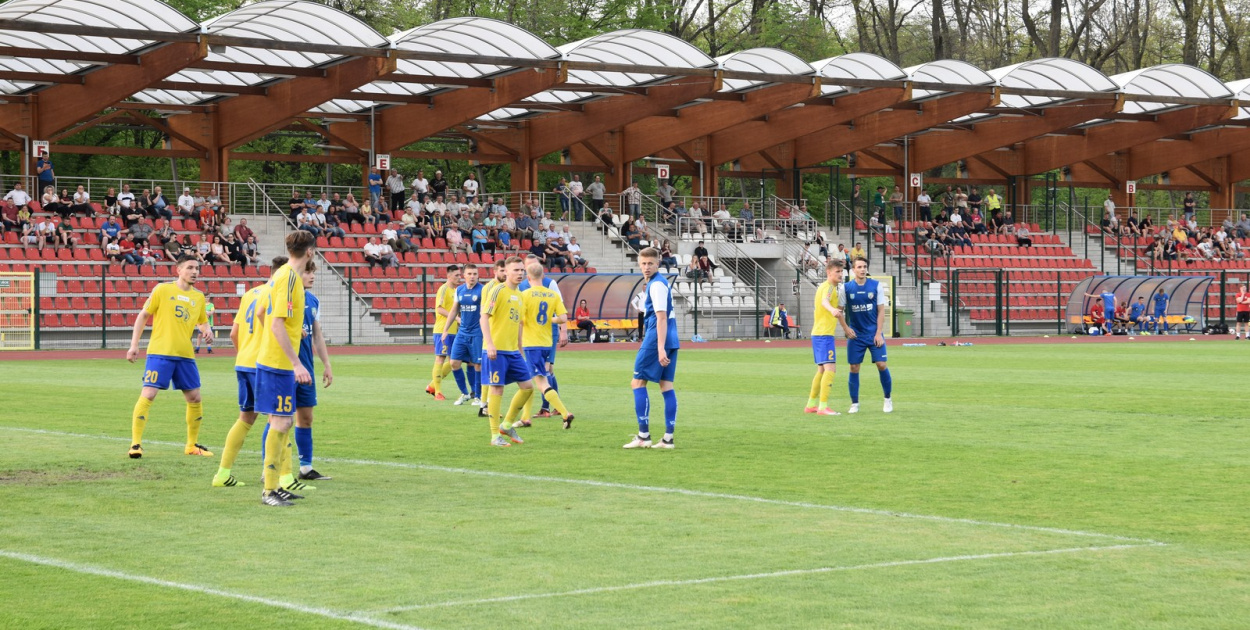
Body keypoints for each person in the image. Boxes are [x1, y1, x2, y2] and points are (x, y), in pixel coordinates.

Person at [124, 255, 214, 460]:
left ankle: (191, 445)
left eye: (197, 268)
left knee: (195, 398)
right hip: (160, 352)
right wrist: (134, 345)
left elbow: (202, 321)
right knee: (149, 394)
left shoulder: (199, 297)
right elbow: (143, 315)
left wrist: (207, 330)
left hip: (185, 355)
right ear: (178, 270)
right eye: (190, 267)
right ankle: (135, 444)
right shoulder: (162, 290)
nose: (194, 272)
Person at [211, 258, 286, 489]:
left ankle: (223, 474)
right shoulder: (277, 293)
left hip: (244, 362)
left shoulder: (250, 294)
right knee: (278, 419)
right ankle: (274, 475)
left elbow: (234, 333)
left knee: (246, 418)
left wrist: (244, 354)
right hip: (264, 364)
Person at [258, 260, 334, 487]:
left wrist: (327, 364)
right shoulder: (282, 294)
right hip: (285, 367)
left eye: (313, 272)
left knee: (306, 418)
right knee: (278, 419)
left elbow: (317, 335)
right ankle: (268, 469)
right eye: (308, 272)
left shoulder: (313, 301)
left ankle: (306, 468)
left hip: (306, 367)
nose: (312, 276)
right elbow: (267, 319)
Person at [255, 231, 317, 507]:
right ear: (310, 251)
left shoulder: (281, 275)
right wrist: (296, 363)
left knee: (283, 421)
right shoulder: (289, 278)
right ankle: (269, 490)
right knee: (281, 422)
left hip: (276, 359)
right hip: (278, 363)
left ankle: (276, 484)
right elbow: (276, 323)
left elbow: (264, 314)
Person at [624, 248, 679, 449]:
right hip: (671, 337)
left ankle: (643, 436)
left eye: (650, 263)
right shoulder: (660, 283)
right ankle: (668, 439)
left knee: (637, 382)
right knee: (666, 385)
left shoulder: (656, 285)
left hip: (657, 338)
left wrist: (660, 348)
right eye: (643, 263)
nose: (646, 267)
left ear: (658, 263)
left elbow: (661, 318)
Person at [480, 256, 538, 447]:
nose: (520, 273)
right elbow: (484, 317)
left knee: (528, 387)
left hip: (513, 351)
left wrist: (520, 349)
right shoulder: (498, 291)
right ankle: (494, 435)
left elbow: (519, 325)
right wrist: (489, 344)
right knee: (497, 389)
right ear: (505, 271)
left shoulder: (520, 295)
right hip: (496, 350)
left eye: (522, 270)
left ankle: (506, 425)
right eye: (516, 270)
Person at [513, 263, 575, 429]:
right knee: (528, 380)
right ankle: (526, 418)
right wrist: (550, 319)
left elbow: (519, 320)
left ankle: (565, 413)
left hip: (531, 344)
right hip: (547, 343)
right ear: (542, 276)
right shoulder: (552, 294)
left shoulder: (524, 294)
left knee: (541, 383)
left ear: (528, 277)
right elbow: (563, 318)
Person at [836, 258, 892, 414]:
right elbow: (839, 311)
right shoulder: (846, 288)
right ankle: (854, 404)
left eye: (864, 267)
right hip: (856, 335)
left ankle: (887, 399)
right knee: (854, 367)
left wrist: (879, 333)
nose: (862, 269)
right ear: (853, 270)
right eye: (859, 267)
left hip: (873, 334)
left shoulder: (876, 285)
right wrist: (846, 328)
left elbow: (881, 310)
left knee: (881, 364)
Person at [805, 258, 846, 416]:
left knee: (821, 370)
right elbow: (824, 302)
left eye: (841, 271)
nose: (840, 274)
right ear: (829, 272)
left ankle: (811, 405)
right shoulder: (828, 287)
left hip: (819, 333)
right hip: (824, 334)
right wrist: (832, 309)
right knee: (830, 369)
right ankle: (823, 407)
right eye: (837, 271)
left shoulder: (828, 287)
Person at [442, 265, 485, 407]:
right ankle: (465, 393)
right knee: (454, 362)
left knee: (477, 364)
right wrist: (445, 330)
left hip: (477, 332)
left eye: (475, 274)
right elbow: (454, 310)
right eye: (469, 273)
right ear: (464, 275)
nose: (472, 276)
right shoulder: (459, 290)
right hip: (462, 332)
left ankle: (478, 396)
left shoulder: (482, 290)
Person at [425, 265, 463, 401]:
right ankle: (438, 392)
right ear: (449, 276)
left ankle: (432, 386)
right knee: (440, 358)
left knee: (455, 361)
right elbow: (439, 309)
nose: (459, 278)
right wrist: (456, 318)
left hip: (454, 331)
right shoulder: (444, 289)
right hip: (442, 330)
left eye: (460, 275)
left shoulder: (456, 291)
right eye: (456, 275)